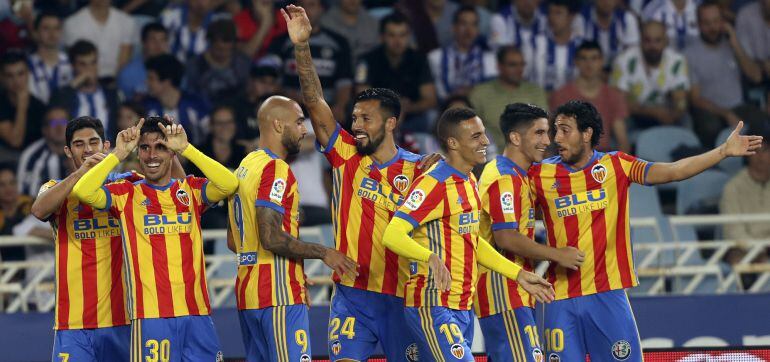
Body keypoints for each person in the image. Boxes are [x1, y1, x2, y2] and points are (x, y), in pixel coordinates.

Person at [530, 100, 763, 361]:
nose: (556, 137)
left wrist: (722, 151)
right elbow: (510, 217)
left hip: (608, 295)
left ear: (587, 134)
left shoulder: (616, 165)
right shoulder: (539, 174)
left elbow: (674, 171)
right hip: (559, 298)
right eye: (555, 130)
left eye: (565, 130)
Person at [283, 5, 442, 361]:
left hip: (403, 297)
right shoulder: (345, 154)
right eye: (354, 117)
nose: (356, 125)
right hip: (352, 296)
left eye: (365, 119)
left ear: (390, 124)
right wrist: (302, 47)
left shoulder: (421, 170)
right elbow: (314, 101)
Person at [381, 107, 555, 361]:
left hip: (462, 306)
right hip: (433, 303)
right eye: (475, 136)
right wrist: (429, 256)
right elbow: (392, 234)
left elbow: (474, 241)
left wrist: (518, 274)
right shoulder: (434, 183)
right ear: (453, 143)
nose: (485, 141)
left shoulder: (470, 181)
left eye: (483, 134)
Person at [72, 116, 238, 361]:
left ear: (171, 152)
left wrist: (187, 149)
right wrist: (117, 154)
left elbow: (229, 183)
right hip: (151, 318)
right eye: (145, 148)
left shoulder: (190, 190)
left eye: (160, 147)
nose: (152, 155)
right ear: (138, 154)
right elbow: (82, 191)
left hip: (197, 314)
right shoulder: (125, 194)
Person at [226, 95, 358, 362]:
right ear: (277, 125)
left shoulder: (246, 166)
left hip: (249, 292)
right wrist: (324, 253)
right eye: (298, 122)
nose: (305, 130)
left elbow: (233, 240)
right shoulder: (276, 169)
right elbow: (271, 237)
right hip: (277, 295)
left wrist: (294, 271)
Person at [474, 103, 584, 362]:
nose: (548, 141)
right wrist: (556, 254)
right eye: (539, 133)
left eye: (547, 133)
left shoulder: (516, 174)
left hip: (514, 288)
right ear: (515, 137)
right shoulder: (504, 178)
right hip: (501, 289)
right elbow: (505, 236)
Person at [30, 116, 141, 362]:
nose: (88, 149)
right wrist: (81, 173)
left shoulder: (128, 183)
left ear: (106, 146)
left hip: (125, 318)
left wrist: (175, 153)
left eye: (93, 142)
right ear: (68, 151)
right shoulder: (56, 188)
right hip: (74, 324)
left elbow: (176, 189)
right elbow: (38, 210)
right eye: (79, 144)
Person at [684, 1, 767, 147]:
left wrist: (734, 43)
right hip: (710, 110)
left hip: (739, 106)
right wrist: (725, 114)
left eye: (716, 21)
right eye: (707, 23)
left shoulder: (733, 44)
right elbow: (695, 99)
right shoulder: (690, 53)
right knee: (710, 127)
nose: (712, 28)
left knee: (763, 122)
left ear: (723, 22)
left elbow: (756, 76)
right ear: (698, 24)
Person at [266, 0, 353, 123]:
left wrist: (340, 106)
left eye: (312, 5)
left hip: (328, 109)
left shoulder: (339, 43)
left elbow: (344, 82)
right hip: (289, 109)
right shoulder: (280, 42)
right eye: (301, 5)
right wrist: (289, 97)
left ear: (322, 9)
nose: (305, 11)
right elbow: (269, 78)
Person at [355, 11, 437, 134]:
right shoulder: (366, 61)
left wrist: (407, 107)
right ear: (382, 37)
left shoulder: (419, 60)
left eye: (402, 35)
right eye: (392, 35)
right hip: (376, 117)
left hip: (411, 118)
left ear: (409, 36)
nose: (398, 41)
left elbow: (430, 99)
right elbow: (361, 95)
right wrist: (391, 107)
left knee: (430, 117)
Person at [550, 41, 631, 153]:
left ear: (602, 61)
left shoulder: (613, 95)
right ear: (576, 62)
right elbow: (555, 137)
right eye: (584, 58)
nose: (589, 64)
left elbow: (622, 140)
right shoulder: (561, 95)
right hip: (570, 158)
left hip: (602, 160)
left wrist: (621, 168)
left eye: (594, 58)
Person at [612, 21, 690, 129]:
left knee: (685, 121)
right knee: (621, 120)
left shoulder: (677, 61)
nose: (652, 46)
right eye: (647, 40)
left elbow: (680, 100)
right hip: (635, 113)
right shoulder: (624, 60)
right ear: (640, 40)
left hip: (666, 111)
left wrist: (675, 114)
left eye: (657, 41)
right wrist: (651, 112)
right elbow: (618, 102)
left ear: (665, 41)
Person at [469, 46, 548, 149]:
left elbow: (545, 128)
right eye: (513, 65)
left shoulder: (535, 91)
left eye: (522, 65)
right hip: (490, 156)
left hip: (529, 155)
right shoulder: (480, 93)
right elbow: (470, 130)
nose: (519, 69)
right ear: (499, 66)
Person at [51, 40, 120, 139]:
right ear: (73, 66)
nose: (89, 69)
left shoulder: (111, 94)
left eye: (93, 63)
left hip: (108, 150)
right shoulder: (62, 95)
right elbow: (53, 123)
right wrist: (74, 84)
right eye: (83, 64)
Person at [428, 6, 497, 101]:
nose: (469, 30)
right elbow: (435, 94)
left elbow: (491, 93)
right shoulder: (435, 57)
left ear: (478, 30)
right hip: (446, 109)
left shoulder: (490, 59)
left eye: (474, 24)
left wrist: (472, 91)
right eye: (463, 24)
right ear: (453, 28)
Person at [144, 54, 210, 144]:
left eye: (151, 79)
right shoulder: (146, 107)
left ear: (166, 82)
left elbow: (211, 134)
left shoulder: (196, 106)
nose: (146, 82)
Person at [184, 18, 251, 104]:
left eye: (227, 49)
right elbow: (190, 95)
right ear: (209, 42)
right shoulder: (194, 65)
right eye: (218, 49)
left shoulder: (242, 64)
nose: (223, 52)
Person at [63, 0, 136, 77]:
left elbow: (124, 60)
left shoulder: (127, 21)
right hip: (84, 80)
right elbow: (75, 61)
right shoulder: (72, 23)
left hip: (117, 80)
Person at [528, 0, 583, 92]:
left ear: (571, 17)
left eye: (558, 13)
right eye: (550, 12)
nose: (552, 17)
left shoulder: (581, 46)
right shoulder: (536, 43)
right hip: (539, 103)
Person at [17, 107, 70, 196]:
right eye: (54, 123)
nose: (59, 127)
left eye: (63, 122)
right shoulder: (32, 155)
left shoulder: (81, 148)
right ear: (44, 130)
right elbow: (24, 194)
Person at [0, 50, 46, 154]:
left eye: (20, 74)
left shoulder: (39, 106)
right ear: (1, 77)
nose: (16, 81)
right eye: (9, 75)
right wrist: (22, 106)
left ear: (28, 74)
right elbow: (15, 141)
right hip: (5, 159)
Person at [27, 11, 72, 104]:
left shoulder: (71, 62)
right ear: (35, 33)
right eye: (46, 28)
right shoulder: (26, 65)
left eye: (56, 28)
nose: (52, 33)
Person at [117, 22, 169, 101]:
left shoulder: (175, 69)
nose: (158, 45)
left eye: (162, 40)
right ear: (143, 42)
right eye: (153, 40)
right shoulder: (128, 73)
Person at [578, 0, 639, 65]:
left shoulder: (627, 19)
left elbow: (633, 55)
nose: (606, 2)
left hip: (619, 71)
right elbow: (578, 55)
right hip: (588, 71)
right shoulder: (581, 19)